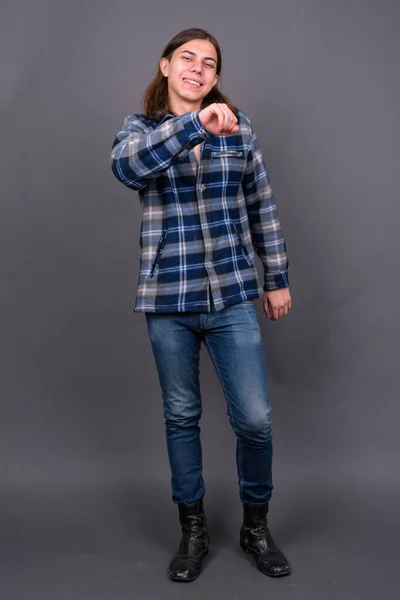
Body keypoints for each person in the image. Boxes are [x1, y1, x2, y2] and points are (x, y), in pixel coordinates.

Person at [110, 27, 292, 582]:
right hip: (168, 299)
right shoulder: (139, 130)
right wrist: (193, 124)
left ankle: (255, 526)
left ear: (216, 75)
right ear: (165, 67)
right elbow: (127, 169)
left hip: (233, 293)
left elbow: (261, 203)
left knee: (255, 420)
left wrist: (276, 275)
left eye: (209, 63)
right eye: (186, 58)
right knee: (181, 415)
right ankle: (192, 530)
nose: (197, 68)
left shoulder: (241, 130)